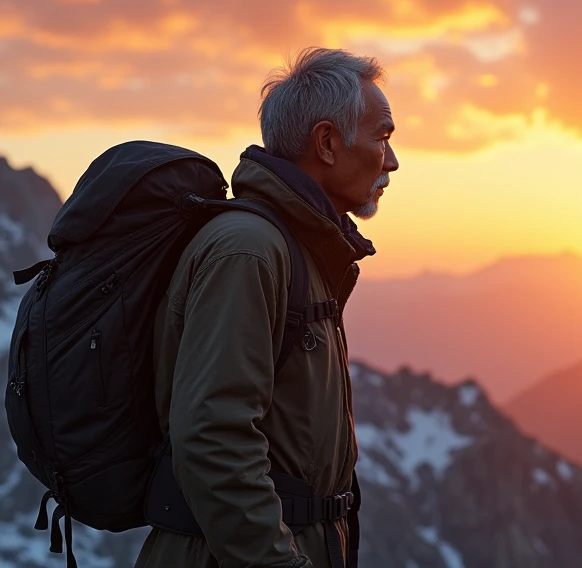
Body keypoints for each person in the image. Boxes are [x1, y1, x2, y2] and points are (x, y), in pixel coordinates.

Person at [134, 47, 399, 568]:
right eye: (383, 136)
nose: (391, 160)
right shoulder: (250, 251)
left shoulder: (297, 246)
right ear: (327, 142)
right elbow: (213, 436)